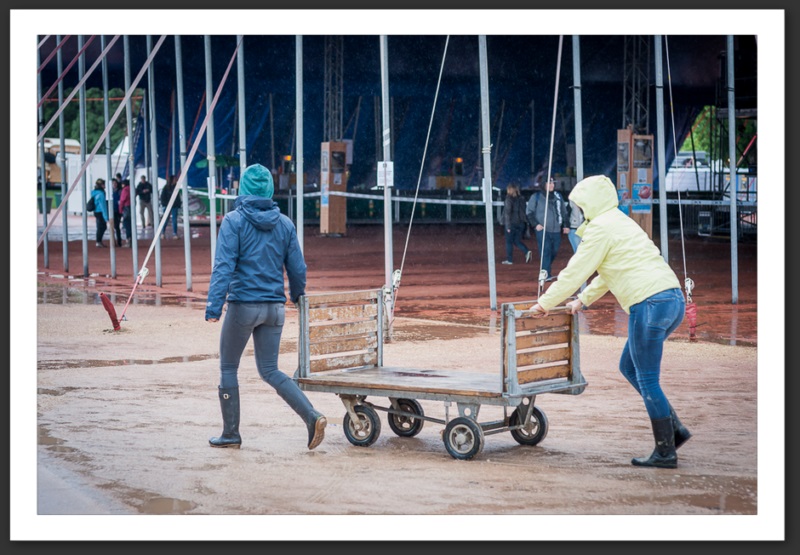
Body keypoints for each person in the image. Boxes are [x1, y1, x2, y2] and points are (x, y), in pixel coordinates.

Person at [528, 174, 690, 469]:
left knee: (647, 378)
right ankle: (674, 429)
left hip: (650, 303)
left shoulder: (601, 229)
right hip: (671, 300)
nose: (577, 211)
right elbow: (607, 272)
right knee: (629, 367)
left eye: (580, 205)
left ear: (591, 203)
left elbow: (575, 271)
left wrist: (544, 303)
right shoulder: (619, 221)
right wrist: (582, 300)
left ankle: (665, 451)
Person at [205, 163, 327, 451]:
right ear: (270, 190)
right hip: (275, 309)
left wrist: (214, 306)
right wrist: (297, 295)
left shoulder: (234, 221)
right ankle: (312, 417)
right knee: (271, 370)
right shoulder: (284, 223)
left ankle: (231, 434)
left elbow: (223, 267)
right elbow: (298, 268)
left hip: (244, 306)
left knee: (228, 367)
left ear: (242, 189)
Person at [526, 178, 569, 279]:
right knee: (546, 250)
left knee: (554, 250)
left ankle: (545, 269)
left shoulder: (558, 196)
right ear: (543, 184)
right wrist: (536, 224)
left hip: (556, 230)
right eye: (549, 183)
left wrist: (566, 225)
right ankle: (545, 273)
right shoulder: (536, 197)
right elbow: (529, 212)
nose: (552, 185)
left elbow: (564, 211)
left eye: (553, 183)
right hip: (543, 229)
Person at [501, 183, 532, 265]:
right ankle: (526, 251)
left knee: (509, 242)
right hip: (521, 223)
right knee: (517, 241)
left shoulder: (508, 199)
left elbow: (507, 213)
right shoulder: (522, 199)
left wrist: (507, 226)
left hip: (512, 223)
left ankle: (509, 260)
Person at [91, 178, 109, 248]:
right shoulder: (101, 194)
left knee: (99, 227)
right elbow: (103, 206)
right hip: (100, 212)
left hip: (96, 211)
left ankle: (98, 241)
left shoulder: (94, 192)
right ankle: (98, 241)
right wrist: (106, 217)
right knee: (102, 227)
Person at [118, 178, 133, 247]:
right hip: (131, 207)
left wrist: (120, 210)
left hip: (126, 207)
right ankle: (131, 240)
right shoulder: (132, 188)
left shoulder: (125, 190)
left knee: (126, 224)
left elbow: (122, 200)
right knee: (130, 224)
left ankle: (128, 240)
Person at [111, 178, 123, 247]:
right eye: (113, 183)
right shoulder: (110, 192)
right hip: (112, 210)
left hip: (117, 211)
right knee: (113, 227)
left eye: (115, 183)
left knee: (117, 226)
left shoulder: (119, 191)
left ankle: (119, 241)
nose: (114, 185)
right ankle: (114, 241)